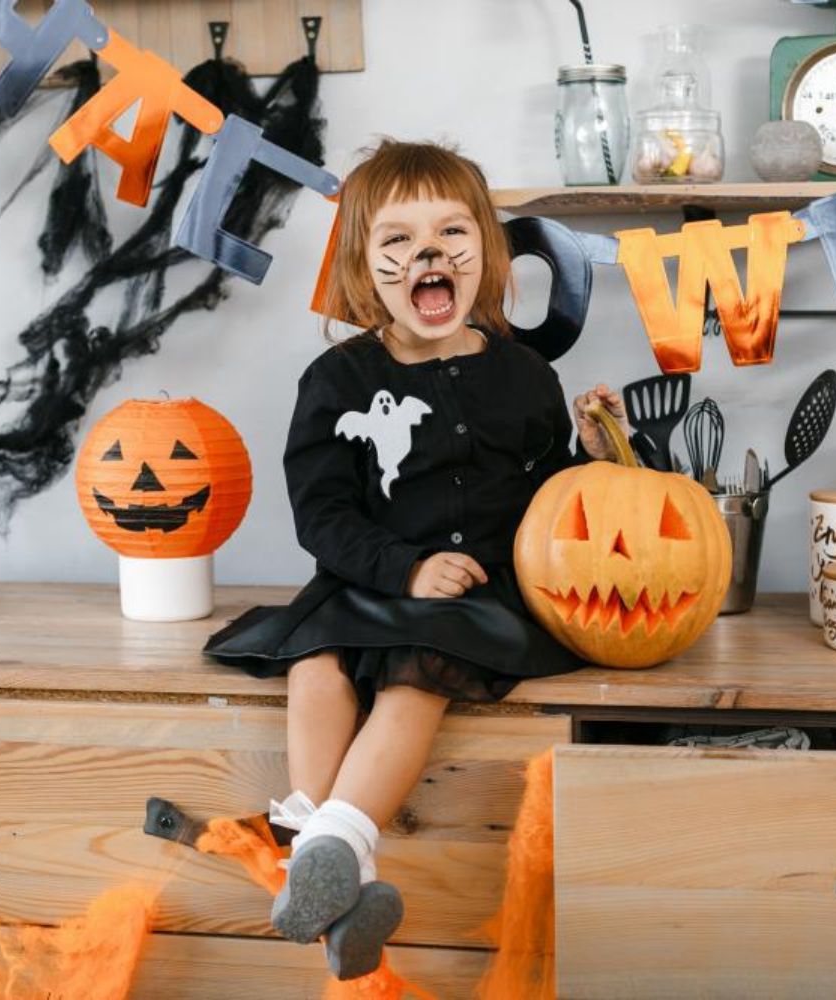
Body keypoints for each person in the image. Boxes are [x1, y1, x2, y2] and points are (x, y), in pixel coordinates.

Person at [205, 139, 621, 980]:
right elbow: (320, 513)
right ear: (364, 266)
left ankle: (330, 846)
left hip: (481, 597)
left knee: (414, 676)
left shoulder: (526, 375)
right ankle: (342, 876)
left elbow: (547, 505)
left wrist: (588, 451)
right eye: (396, 241)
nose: (426, 255)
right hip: (369, 576)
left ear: (487, 257)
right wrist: (402, 569)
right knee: (315, 663)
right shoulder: (337, 378)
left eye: (450, 234)